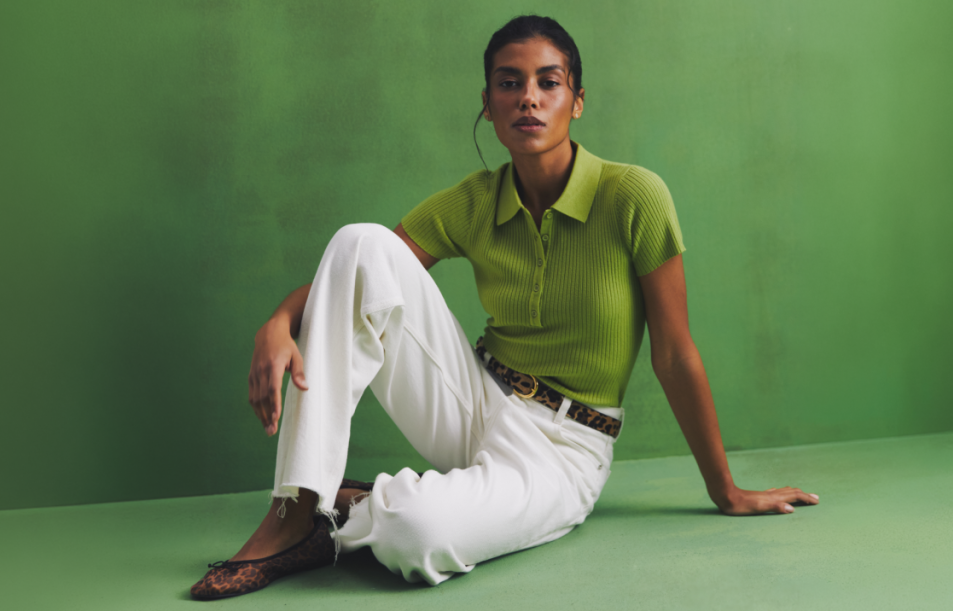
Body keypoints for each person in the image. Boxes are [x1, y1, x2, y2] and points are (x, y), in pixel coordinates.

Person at [190, 14, 819, 600]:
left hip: (565, 445)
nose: (529, 98)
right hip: (474, 399)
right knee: (362, 240)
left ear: (576, 100)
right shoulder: (476, 200)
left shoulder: (634, 197)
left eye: (549, 82)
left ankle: (356, 505)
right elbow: (359, 274)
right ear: (488, 104)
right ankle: (296, 506)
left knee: (415, 535)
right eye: (509, 83)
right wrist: (278, 323)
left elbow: (675, 356)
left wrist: (725, 490)